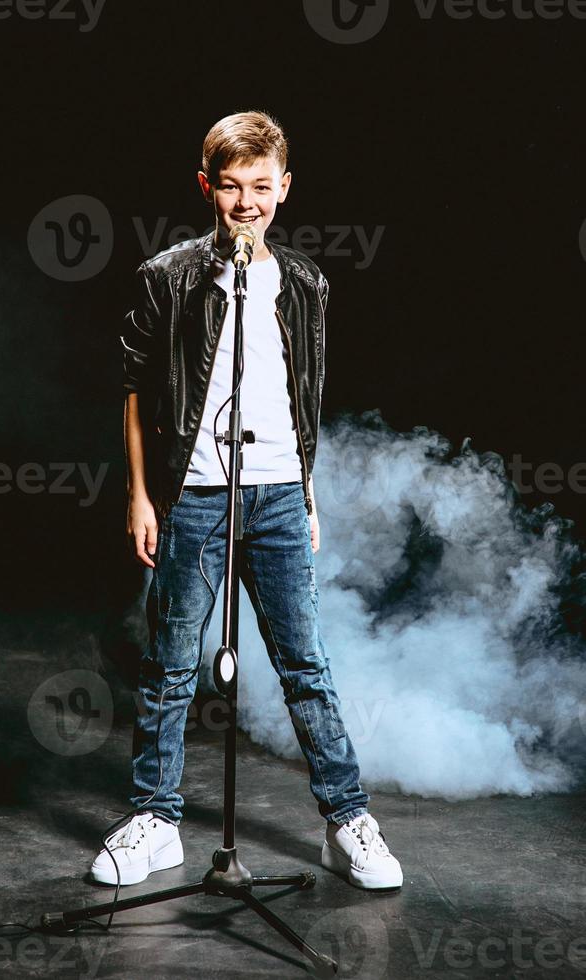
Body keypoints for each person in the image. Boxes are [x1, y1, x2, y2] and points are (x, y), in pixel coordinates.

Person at [91, 110, 403, 892]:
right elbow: (132, 390)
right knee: (168, 667)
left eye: (261, 187)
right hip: (193, 496)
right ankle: (155, 821)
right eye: (230, 187)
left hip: (274, 498)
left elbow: (305, 396)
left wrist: (305, 491)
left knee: (305, 664)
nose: (246, 202)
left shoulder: (304, 282)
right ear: (206, 188)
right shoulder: (168, 275)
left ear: (284, 188)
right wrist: (140, 496)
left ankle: (347, 820)